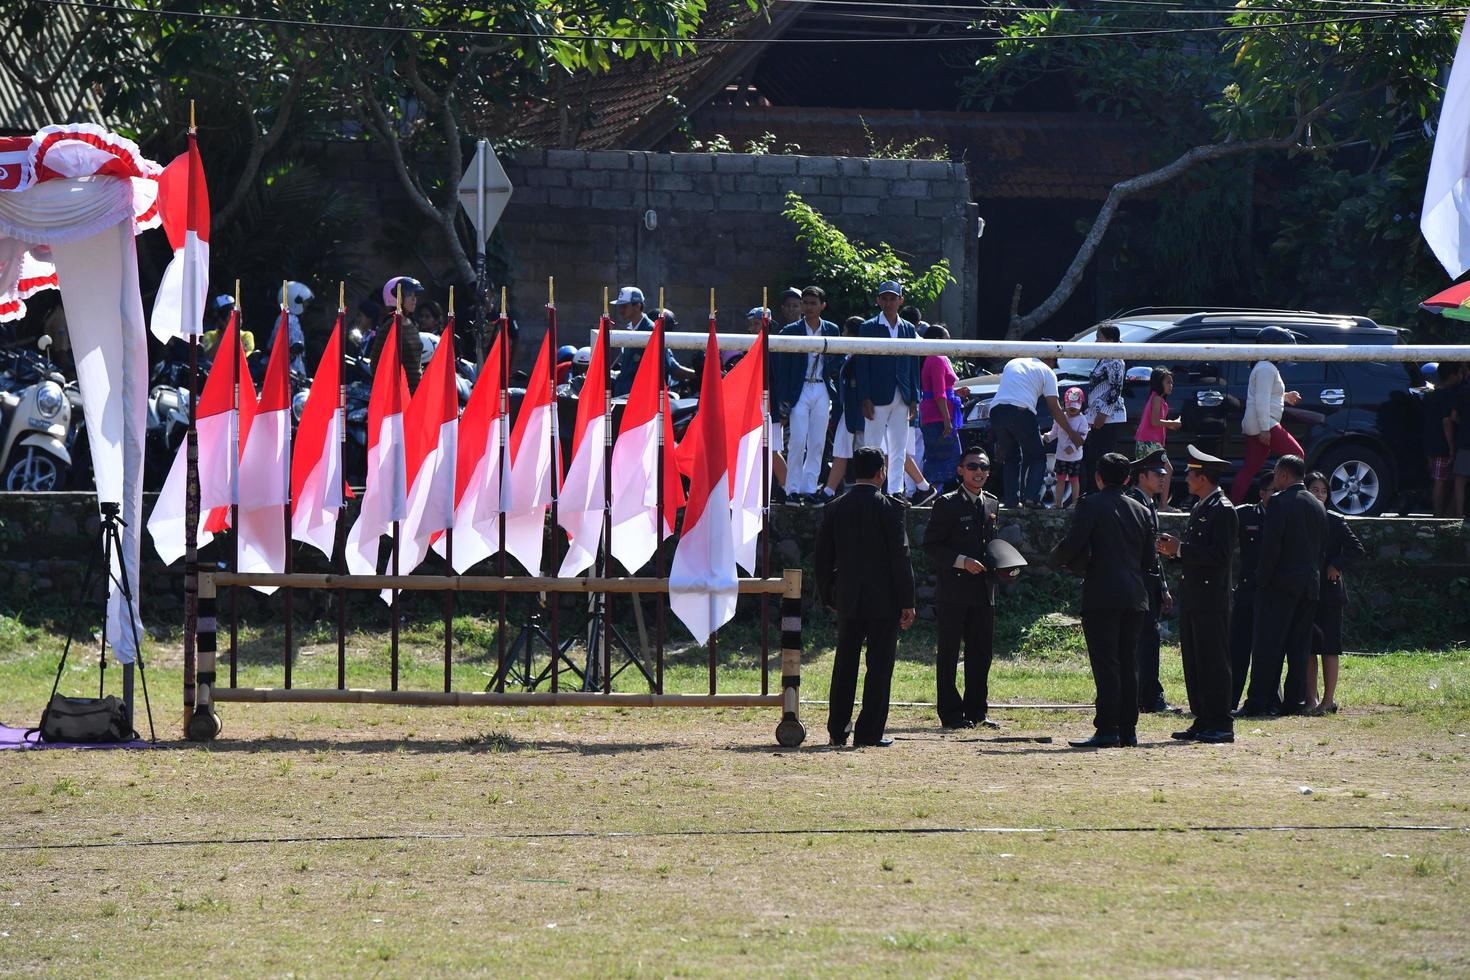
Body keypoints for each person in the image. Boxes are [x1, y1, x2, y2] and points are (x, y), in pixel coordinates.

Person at [1051, 452, 1155, 748]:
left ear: (1098, 477)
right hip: (1135, 596)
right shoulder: (1142, 510)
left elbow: (1073, 544)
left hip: (1102, 595)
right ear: (1127, 479)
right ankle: (1128, 729)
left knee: (1107, 663)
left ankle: (1108, 727)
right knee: (1128, 662)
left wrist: (1054, 561)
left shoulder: (1091, 505)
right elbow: (1149, 560)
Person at [815, 447, 916, 747]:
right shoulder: (890, 508)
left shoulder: (835, 507)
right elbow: (901, 557)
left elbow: (822, 558)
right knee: (879, 667)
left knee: (844, 664)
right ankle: (869, 732)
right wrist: (907, 600)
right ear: (880, 473)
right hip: (883, 602)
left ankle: (837, 729)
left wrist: (828, 594)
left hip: (847, 598)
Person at [1157, 446, 1238, 743]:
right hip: (1194, 595)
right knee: (1194, 660)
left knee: (1214, 660)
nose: (1187, 478)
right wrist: (1175, 553)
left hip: (1211, 599)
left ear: (1203, 477)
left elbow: (1219, 556)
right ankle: (1203, 718)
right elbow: (1197, 554)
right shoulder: (1203, 505)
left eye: (1191, 473)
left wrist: (1180, 549)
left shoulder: (1223, 510)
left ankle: (1220, 722)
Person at [1238, 454, 1326, 717]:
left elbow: (1272, 546)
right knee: (1298, 646)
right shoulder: (1317, 505)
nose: (1275, 480)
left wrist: (1261, 579)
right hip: (1309, 584)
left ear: (1284, 475)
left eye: (1276, 474)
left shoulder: (1279, 502)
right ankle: (1294, 700)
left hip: (1280, 584)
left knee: (1268, 645)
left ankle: (1260, 701)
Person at [923, 448, 1001, 730]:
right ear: (960, 470)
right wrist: (961, 561)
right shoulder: (947, 504)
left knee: (981, 654)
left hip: (983, 592)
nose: (979, 472)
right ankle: (951, 713)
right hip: (954, 592)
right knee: (949, 654)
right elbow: (931, 546)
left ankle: (978, 711)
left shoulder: (992, 503)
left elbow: (992, 545)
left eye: (984, 467)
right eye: (972, 467)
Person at [990, 350, 1085, 508]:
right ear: (1050, 359)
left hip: (996, 411)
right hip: (1021, 412)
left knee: (1011, 458)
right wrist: (1072, 434)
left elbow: (1007, 393)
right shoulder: (1047, 372)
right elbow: (1054, 408)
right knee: (1037, 457)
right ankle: (1031, 498)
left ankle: (1011, 500)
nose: (1054, 366)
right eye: (1054, 362)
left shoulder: (1013, 362)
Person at [774, 287, 840, 502]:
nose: (808, 307)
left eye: (813, 303)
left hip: (821, 386)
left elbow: (837, 360)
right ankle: (791, 489)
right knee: (798, 439)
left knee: (818, 440)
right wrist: (784, 397)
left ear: (823, 305)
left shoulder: (831, 329)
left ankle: (809, 488)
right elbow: (782, 368)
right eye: (805, 303)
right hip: (799, 388)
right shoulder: (790, 331)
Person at [1305, 471, 1363, 715]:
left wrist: (1335, 564)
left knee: (1330, 647)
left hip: (1330, 593)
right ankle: (1309, 699)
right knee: (1307, 648)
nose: (1319, 495)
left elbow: (1356, 549)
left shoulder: (1335, 519)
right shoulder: (1300, 517)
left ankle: (1328, 700)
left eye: (1323, 490)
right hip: (1306, 591)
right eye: (1314, 489)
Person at [856, 281, 921, 496]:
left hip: (901, 393)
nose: (889, 302)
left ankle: (895, 491)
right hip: (876, 394)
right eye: (884, 298)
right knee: (873, 445)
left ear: (901, 300)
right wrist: (864, 396)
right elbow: (862, 364)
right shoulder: (868, 327)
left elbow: (913, 364)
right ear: (878, 300)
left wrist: (914, 397)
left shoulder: (908, 328)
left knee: (899, 446)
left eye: (893, 298)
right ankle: (871, 488)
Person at [1229, 327, 1304, 504]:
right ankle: (1289, 498)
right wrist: (1265, 429)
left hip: (1258, 424)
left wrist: (1285, 396)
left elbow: (1264, 395)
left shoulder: (1263, 366)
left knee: (1249, 469)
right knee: (1297, 455)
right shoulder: (1266, 368)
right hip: (1265, 423)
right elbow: (1261, 401)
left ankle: (1233, 507)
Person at [1128, 448, 1174, 714]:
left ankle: (1147, 694)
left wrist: (1164, 587)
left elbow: (1154, 551)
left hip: (1150, 582)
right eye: (1157, 474)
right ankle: (1148, 696)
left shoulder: (1149, 503)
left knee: (1149, 640)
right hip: (1138, 583)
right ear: (1142, 476)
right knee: (1144, 641)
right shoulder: (1135, 503)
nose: (1162, 479)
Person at [1230, 475, 1274, 708]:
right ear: (1262, 493)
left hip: (1271, 592)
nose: (1276, 497)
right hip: (1247, 589)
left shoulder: (1284, 516)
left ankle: (1265, 698)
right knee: (1238, 647)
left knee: (1268, 649)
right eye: (1272, 492)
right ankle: (1230, 699)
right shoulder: (1246, 513)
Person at [609, 287, 693, 397]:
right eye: (620, 306)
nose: (620, 310)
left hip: (640, 396)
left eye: (624, 306)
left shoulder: (652, 330)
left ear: (637, 306)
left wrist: (698, 375)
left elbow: (670, 366)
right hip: (624, 394)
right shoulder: (630, 329)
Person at [917, 323, 970, 496]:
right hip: (939, 417)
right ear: (939, 340)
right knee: (949, 457)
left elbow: (941, 390)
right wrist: (947, 420)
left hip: (933, 415)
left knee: (936, 456)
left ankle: (932, 493)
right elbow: (939, 393)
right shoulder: (938, 358)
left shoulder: (931, 359)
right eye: (947, 339)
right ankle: (934, 493)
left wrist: (956, 393)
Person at [822, 316, 868, 499]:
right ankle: (829, 491)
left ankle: (868, 491)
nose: (842, 335)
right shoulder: (851, 358)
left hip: (858, 415)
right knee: (841, 452)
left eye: (845, 331)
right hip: (847, 414)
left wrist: (857, 420)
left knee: (864, 455)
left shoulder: (860, 360)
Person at [1080, 323, 1127, 495]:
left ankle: (1102, 493)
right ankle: (1093, 492)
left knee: (1102, 457)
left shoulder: (1116, 360)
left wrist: (1103, 413)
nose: (1096, 341)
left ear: (1110, 340)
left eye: (1099, 337)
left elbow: (1116, 388)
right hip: (1096, 417)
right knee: (1092, 457)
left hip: (1108, 418)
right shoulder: (1104, 358)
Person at [1134, 368, 1181, 505]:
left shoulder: (1157, 399)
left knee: (1145, 472)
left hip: (1146, 442)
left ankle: (1148, 502)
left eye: (1172, 383)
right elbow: (1155, 421)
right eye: (1168, 382)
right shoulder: (1156, 399)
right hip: (1150, 443)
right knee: (1167, 469)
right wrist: (1172, 423)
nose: (1171, 386)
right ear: (1158, 383)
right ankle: (1163, 505)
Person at [371, 276, 427, 390]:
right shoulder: (390, 326)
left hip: (416, 393)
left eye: (415, 295)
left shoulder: (412, 325)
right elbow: (376, 364)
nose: (414, 299)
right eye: (409, 295)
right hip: (399, 395)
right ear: (397, 297)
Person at [1422, 361, 1462, 518]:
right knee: (1441, 481)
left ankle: (1441, 513)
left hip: (1429, 441)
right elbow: (1447, 421)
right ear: (1452, 376)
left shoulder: (1430, 394)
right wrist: (1451, 446)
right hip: (1442, 444)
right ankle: (1438, 516)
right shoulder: (1449, 395)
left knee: (1437, 479)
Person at [1044, 387, 1088, 508]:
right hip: (1061, 456)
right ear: (1064, 405)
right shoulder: (1060, 418)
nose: (1072, 410)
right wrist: (1047, 437)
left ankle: (1075, 503)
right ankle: (1058, 503)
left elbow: (1083, 437)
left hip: (1075, 457)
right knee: (1060, 479)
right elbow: (1054, 432)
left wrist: (1073, 447)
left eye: (1075, 408)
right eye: (1070, 408)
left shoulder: (1082, 420)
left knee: (1074, 480)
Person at [1453, 362, 1470, 518]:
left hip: (1465, 439)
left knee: (1460, 480)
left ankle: (1459, 514)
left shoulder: (1463, 391)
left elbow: (1454, 416)